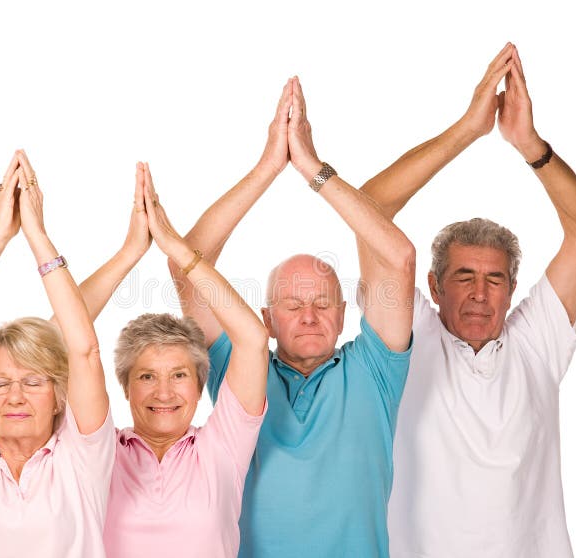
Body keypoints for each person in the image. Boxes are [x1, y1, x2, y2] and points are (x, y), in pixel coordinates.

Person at [361, 43, 576, 558]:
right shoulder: (406, 344)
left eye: (495, 279)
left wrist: (529, 145)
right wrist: (467, 132)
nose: (479, 293)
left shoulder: (536, 341)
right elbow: (370, 208)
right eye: (464, 276)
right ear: (433, 287)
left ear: (512, 289)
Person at [169, 77, 415, 557]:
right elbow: (186, 263)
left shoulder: (374, 370)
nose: (308, 316)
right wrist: (267, 167)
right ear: (265, 318)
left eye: (322, 304)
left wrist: (311, 168)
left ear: (343, 315)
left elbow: (399, 258)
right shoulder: (240, 370)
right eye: (293, 305)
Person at [66, 162, 270, 558]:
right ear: (124, 386)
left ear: (199, 385)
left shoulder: (222, 448)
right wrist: (129, 254)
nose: (163, 392)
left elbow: (253, 340)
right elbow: (49, 344)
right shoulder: (96, 451)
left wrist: (176, 249)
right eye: (146, 376)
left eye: (178, 374)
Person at [0, 151, 114, 558]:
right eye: (0, 383)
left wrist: (37, 238)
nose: (15, 396)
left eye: (33, 382)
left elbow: (84, 351)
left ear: (60, 396)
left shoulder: (82, 458)